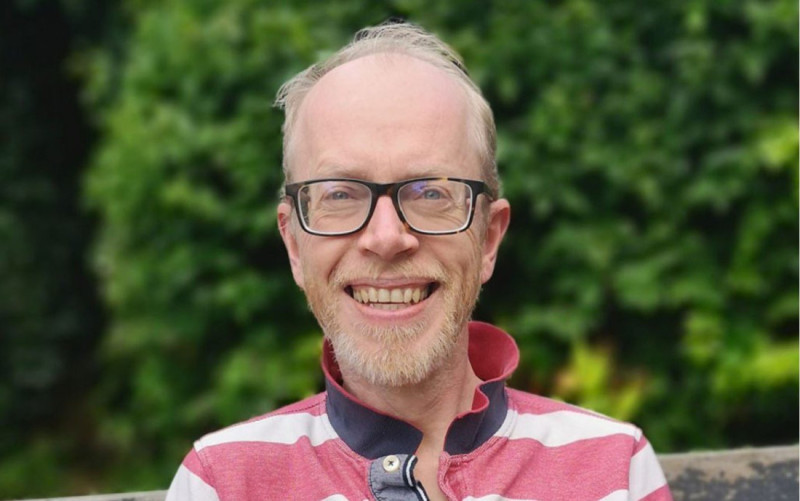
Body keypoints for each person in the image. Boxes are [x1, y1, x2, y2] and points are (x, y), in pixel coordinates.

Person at [166, 21, 672, 501]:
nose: (386, 238)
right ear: (295, 245)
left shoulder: (613, 472)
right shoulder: (222, 484)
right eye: (340, 194)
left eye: (430, 192)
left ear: (489, 239)